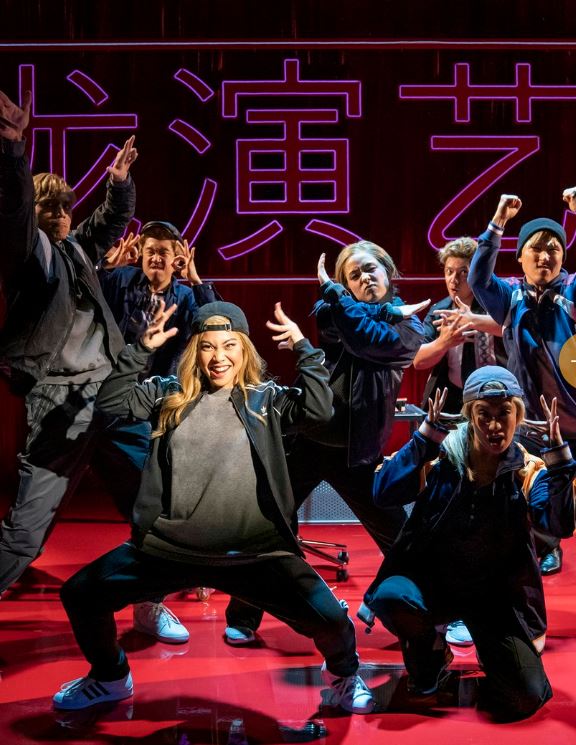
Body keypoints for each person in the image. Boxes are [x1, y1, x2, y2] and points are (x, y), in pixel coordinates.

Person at [52, 300, 374, 715]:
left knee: (331, 620)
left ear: (244, 350)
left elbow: (319, 410)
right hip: (169, 549)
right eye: (207, 346)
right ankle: (110, 676)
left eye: (228, 345)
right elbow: (112, 405)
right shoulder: (167, 394)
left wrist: (302, 347)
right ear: (194, 351)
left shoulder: (266, 400)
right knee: (80, 594)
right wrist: (140, 350)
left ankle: (343, 676)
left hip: (255, 554)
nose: (218, 357)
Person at [0, 89, 181, 644]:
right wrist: (13, 150)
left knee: (153, 505)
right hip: (60, 403)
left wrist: (119, 184)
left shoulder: (77, 249)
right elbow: (14, 212)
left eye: (64, 206)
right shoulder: (30, 258)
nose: (59, 214)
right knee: (27, 532)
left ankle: (148, 603)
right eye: (48, 207)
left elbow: (108, 221)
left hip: (112, 395)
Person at [224, 240, 427, 645]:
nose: (364, 278)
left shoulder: (412, 328)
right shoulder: (335, 310)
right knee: (268, 525)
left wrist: (349, 298)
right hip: (308, 439)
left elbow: (371, 340)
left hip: (358, 452)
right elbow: (345, 329)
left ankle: (432, 612)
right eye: (353, 275)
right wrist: (357, 303)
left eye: (370, 269)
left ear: (388, 272)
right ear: (344, 284)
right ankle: (243, 615)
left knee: (401, 536)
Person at [362, 368, 575, 721]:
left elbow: (558, 525)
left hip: (495, 598)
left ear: (518, 416)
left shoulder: (527, 470)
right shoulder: (441, 458)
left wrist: (560, 463)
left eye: (504, 413)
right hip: (435, 585)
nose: (495, 426)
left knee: (526, 696)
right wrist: (424, 438)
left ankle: (492, 653)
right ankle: (432, 655)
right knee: (391, 596)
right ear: (470, 416)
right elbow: (383, 493)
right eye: (484, 414)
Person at [468, 191, 576, 576]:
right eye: (536, 248)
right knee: (532, 495)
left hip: (574, 421)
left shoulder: (572, 291)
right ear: (520, 256)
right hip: (530, 423)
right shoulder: (511, 297)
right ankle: (544, 547)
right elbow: (478, 278)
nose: (545, 256)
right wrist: (498, 222)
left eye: (553, 249)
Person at [98, 220, 220, 377]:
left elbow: (216, 324)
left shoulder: (186, 297)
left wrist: (195, 281)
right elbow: (83, 288)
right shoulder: (121, 278)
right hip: (111, 376)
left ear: (176, 259)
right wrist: (107, 264)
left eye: (163, 253)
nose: (156, 259)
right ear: (142, 255)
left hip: (157, 384)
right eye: (150, 252)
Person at [414, 236, 507, 414]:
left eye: (463, 272)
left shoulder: (496, 303)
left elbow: (513, 329)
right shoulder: (440, 311)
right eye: (449, 271)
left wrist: (473, 320)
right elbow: (418, 361)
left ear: (477, 273)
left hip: (497, 398)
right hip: (452, 399)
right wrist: (443, 343)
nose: (454, 280)